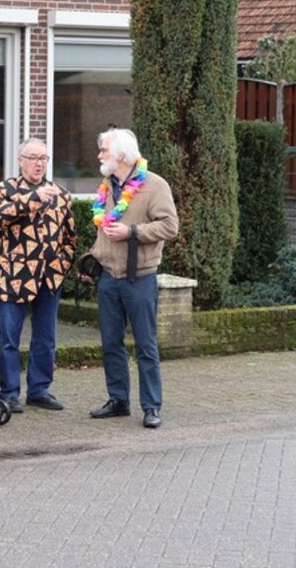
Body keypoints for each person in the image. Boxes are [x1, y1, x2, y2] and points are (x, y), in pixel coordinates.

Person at [85, 127, 178, 429]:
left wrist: (132, 232)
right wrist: (94, 258)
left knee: (145, 344)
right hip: (109, 276)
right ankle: (118, 400)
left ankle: (151, 406)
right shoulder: (106, 186)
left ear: (121, 155)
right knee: (111, 342)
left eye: (104, 150)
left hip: (140, 277)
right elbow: (104, 229)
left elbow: (170, 226)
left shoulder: (154, 185)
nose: (99, 155)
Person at [0, 138, 77, 413]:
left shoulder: (61, 194)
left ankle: (39, 390)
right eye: (33, 158)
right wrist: (33, 199)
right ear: (20, 161)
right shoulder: (4, 190)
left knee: (45, 338)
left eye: (43, 158)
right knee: (9, 339)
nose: (39, 164)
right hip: (14, 277)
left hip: (49, 278)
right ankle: (9, 393)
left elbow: (70, 237)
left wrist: (62, 265)